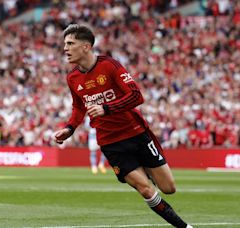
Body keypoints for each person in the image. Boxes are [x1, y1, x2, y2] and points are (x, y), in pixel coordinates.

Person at [52, 24, 192, 228]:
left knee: (168, 188)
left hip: (137, 134)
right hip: (111, 143)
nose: (65, 48)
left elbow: (137, 96)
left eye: (70, 43)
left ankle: (146, 174)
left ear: (86, 47)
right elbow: (78, 107)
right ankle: (184, 227)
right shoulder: (72, 78)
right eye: (64, 44)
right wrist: (70, 128)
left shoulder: (110, 66)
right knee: (145, 189)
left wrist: (106, 108)